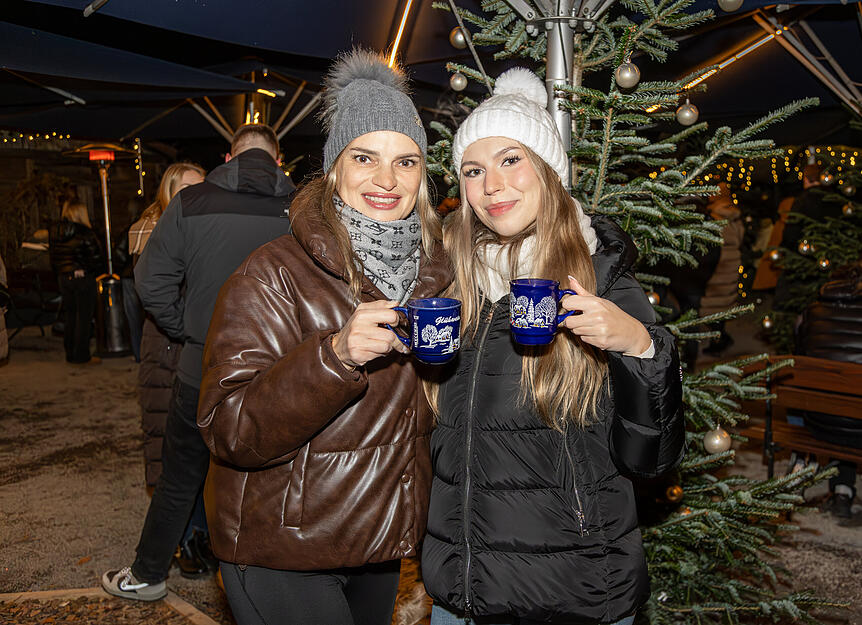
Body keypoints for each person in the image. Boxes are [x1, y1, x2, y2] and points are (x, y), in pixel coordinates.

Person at [420, 68, 685, 625]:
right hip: (461, 592)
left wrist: (639, 346)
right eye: (474, 170)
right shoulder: (452, 284)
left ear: (549, 173)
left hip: (575, 592)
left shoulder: (601, 279)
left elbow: (652, 461)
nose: (492, 185)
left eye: (511, 160)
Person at [195, 49, 451, 625]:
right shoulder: (273, 272)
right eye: (366, 158)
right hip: (282, 549)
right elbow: (226, 426)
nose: (387, 180)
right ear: (334, 168)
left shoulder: (436, 275)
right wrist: (335, 358)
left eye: (406, 162)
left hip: (378, 538)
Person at [101, 123, 295, 601]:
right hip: (278, 375)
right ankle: (279, 585)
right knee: (276, 481)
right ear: (278, 161)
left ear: (228, 159)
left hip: (201, 369)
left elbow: (150, 284)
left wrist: (190, 330)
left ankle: (148, 575)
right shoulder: (302, 210)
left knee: (181, 477)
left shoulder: (190, 204)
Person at [131, 163, 213, 577]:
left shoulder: (199, 225)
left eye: (203, 188)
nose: (197, 197)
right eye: (187, 190)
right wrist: (186, 324)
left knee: (197, 455)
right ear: (169, 191)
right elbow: (154, 287)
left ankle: (198, 537)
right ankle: (181, 544)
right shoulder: (154, 228)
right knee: (173, 456)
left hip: (190, 347)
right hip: (167, 350)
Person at [49, 201, 104, 364]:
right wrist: (85, 269)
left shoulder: (55, 232)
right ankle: (81, 355)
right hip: (83, 279)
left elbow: (53, 257)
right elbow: (96, 257)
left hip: (64, 278)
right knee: (84, 318)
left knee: (70, 316)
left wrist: (66, 270)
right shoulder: (85, 233)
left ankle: (70, 353)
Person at [699, 182, 744, 356]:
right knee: (724, 302)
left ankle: (719, 339)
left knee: (714, 304)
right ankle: (721, 336)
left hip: (719, 263)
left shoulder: (715, 216)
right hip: (733, 262)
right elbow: (740, 239)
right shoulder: (735, 213)